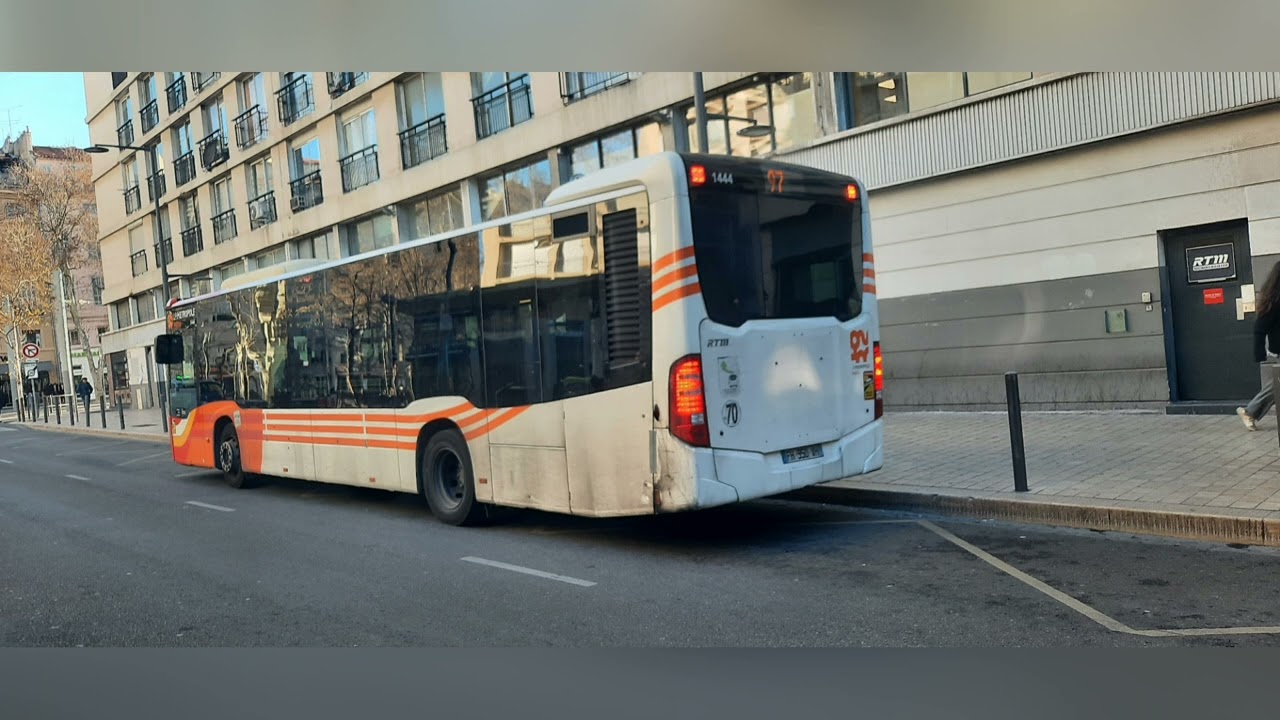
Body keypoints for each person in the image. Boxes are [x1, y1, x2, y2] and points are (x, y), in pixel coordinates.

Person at [1238, 263, 1280, 430]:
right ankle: (1250, 411)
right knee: (1277, 384)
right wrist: (1259, 352)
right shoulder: (1275, 300)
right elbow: (1260, 328)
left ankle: (1250, 411)